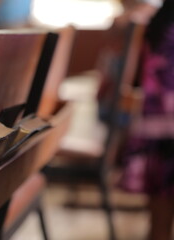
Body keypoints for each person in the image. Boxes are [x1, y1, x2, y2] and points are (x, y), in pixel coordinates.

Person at [120, 0, 174, 239]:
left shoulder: (159, 18)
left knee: (158, 223)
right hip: (162, 129)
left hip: (159, 128)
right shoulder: (158, 17)